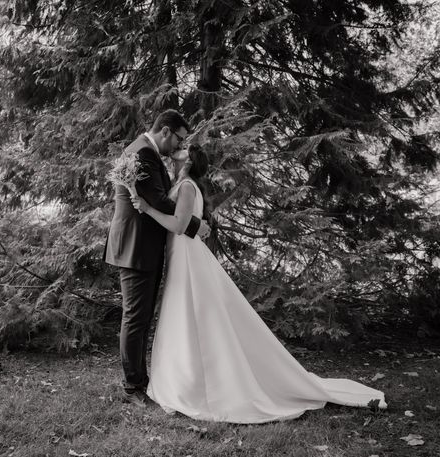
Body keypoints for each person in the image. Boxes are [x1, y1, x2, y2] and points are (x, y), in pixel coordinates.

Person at [132, 144, 387, 424]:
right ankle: (185, 377)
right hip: (181, 254)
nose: (177, 150)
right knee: (188, 315)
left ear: (189, 161)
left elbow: (179, 225)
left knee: (192, 315)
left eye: (183, 150)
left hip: (186, 256)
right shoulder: (180, 184)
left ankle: (197, 383)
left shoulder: (187, 187)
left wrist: (146, 209)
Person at [103, 110, 211, 407]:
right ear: (166, 131)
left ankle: (139, 381)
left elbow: (158, 199)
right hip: (136, 247)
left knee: (140, 317)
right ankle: (132, 386)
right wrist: (194, 226)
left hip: (141, 246)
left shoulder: (144, 150)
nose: (179, 146)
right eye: (179, 138)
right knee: (136, 318)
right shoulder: (143, 153)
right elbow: (158, 201)